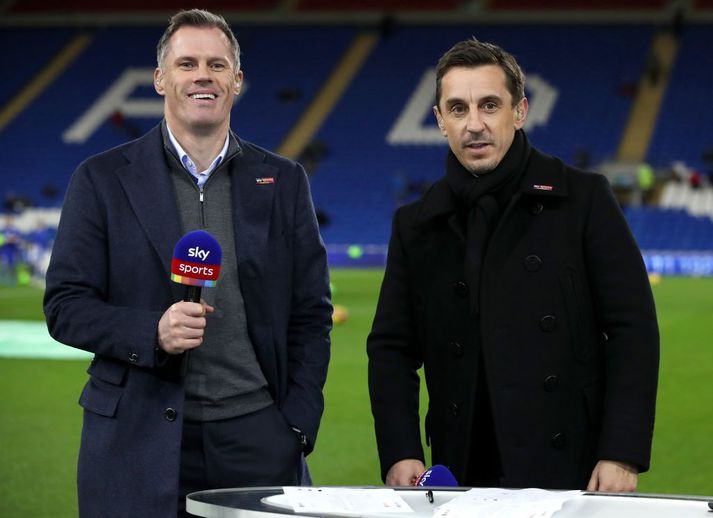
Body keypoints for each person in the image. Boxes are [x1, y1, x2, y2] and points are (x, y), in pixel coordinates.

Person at [44, 9, 332, 518]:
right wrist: (151, 330)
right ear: (161, 78)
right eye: (187, 63)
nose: (203, 75)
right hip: (136, 440)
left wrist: (296, 425)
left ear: (236, 81)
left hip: (257, 437)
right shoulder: (101, 179)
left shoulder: (284, 181)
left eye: (217, 65)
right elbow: (65, 306)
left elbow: (311, 313)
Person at [367, 38, 659, 492]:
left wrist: (622, 450)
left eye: (489, 105)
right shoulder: (417, 223)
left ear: (519, 112)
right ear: (440, 120)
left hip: (570, 463)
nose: (475, 125)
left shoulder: (583, 199)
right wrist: (401, 449)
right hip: (460, 466)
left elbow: (632, 329)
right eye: (458, 109)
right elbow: (391, 348)